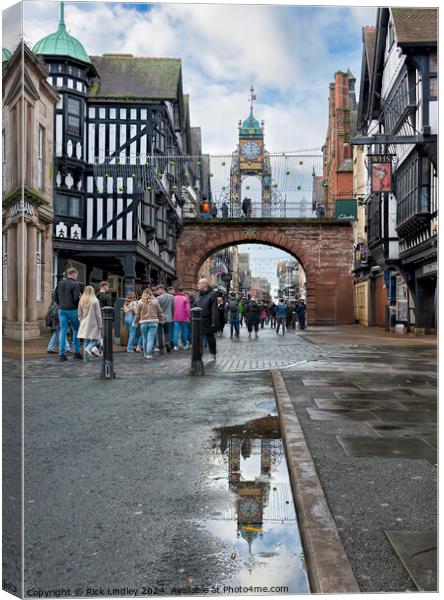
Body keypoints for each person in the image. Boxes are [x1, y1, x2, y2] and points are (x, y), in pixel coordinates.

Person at [54, 267, 82, 361]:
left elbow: (55, 296)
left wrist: (60, 304)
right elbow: (76, 298)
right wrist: (76, 306)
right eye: (76, 275)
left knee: (63, 331)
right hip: (72, 310)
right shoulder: (75, 284)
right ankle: (76, 352)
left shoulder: (60, 283)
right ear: (74, 274)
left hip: (61, 309)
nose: (76, 277)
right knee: (76, 330)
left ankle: (61, 354)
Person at [133, 288, 164, 359]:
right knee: (151, 339)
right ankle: (149, 354)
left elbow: (137, 314)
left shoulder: (140, 302)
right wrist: (162, 320)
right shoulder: (155, 301)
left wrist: (135, 323)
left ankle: (145, 353)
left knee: (144, 338)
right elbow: (160, 312)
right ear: (151, 293)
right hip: (153, 322)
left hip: (143, 322)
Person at [193, 278, 219, 359]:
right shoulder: (197, 294)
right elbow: (194, 306)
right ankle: (198, 356)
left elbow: (214, 308)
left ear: (205, 284)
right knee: (198, 339)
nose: (198, 284)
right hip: (198, 320)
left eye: (199, 283)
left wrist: (213, 321)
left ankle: (213, 352)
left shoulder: (212, 294)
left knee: (210, 338)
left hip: (208, 320)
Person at [77, 286, 103, 362]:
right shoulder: (95, 300)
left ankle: (85, 359)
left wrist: (81, 320)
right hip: (93, 323)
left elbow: (79, 313)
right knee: (96, 339)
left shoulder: (81, 300)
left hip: (84, 322)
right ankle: (88, 349)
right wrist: (100, 325)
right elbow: (98, 314)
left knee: (86, 340)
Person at [155, 284, 175, 353]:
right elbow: (173, 308)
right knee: (167, 332)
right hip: (169, 318)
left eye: (157, 290)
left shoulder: (158, 298)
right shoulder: (172, 297)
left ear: (161, 289)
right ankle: (167, 343)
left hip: (160, 319)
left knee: (159, 334)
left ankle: (161, 349)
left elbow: (156, 310)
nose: (157, 292)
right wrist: (172, 316)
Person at [172, 285, 191, 350]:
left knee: (175, 331)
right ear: (183, 291)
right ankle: (184, 344)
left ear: (177, 290)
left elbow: (172, 308)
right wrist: (189, 317)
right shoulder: (186, 298)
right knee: (184, 330)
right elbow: (188, 309)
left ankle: (175, 346)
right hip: (184, 317)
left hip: (176, 316)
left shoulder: (174, 298)